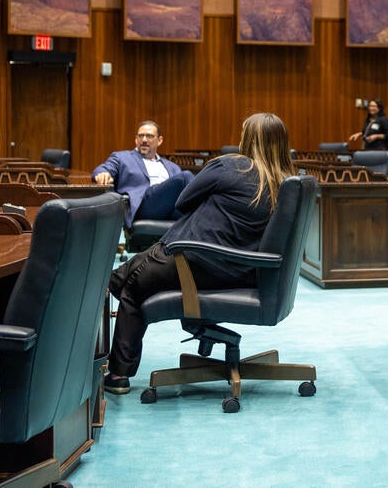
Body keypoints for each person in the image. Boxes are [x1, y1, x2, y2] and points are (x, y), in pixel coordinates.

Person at [104, 112, 296, 394]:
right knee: (123, 277)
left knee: (129, 287)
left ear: (247, 139)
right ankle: (112, 297)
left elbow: (183, 200)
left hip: (196, 261)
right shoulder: (286, 182)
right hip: (241, 270)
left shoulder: (231, 166)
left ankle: (117, 374)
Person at [93, 120, 195, 227]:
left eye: (149, 136)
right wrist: (103, 173)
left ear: (159, 140)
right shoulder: (122, 157)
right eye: (141, 136)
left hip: (170, 208)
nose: (144, 140)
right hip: (143, 205)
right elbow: (104, 168)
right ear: (136, 139)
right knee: (186, 176)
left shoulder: (172, 167)